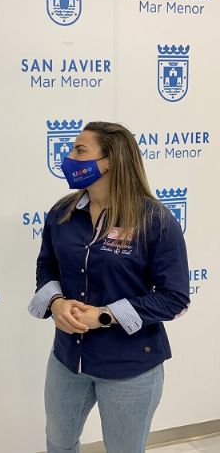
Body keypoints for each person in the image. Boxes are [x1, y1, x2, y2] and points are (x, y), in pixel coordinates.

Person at [28, 121, 190, 453]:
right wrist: (56, 302)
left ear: (110, 161)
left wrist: (104, 316)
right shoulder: (62, 213)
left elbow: (174, 298)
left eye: (79, 150)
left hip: (130, 367)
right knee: (58, 443)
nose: (69, 157)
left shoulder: (155, 221)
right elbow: (46, 265)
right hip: (68, 359)